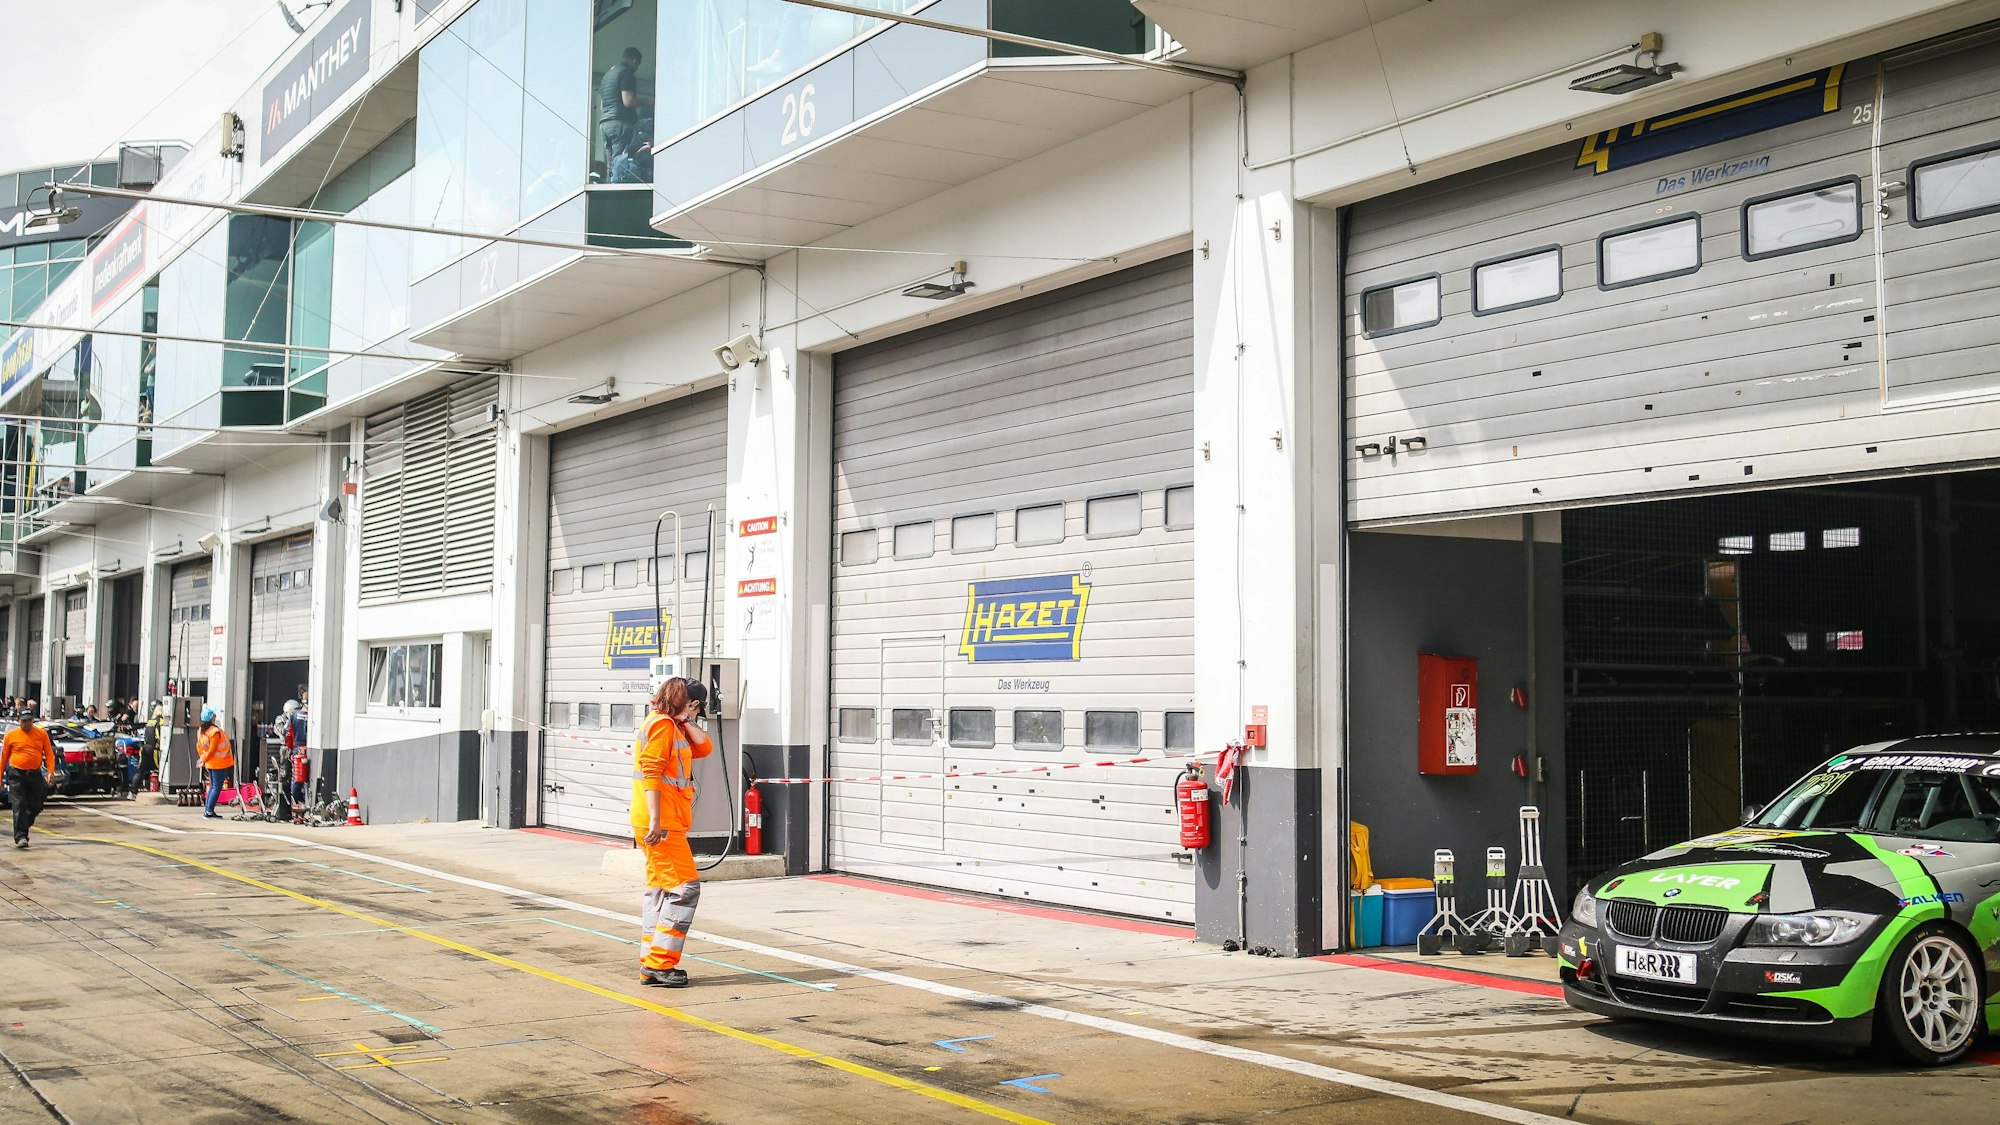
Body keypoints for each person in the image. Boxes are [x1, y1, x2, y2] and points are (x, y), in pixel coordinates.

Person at [629, 677, 712, 987]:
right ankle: (661, 964)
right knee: (684, 889)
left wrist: (685, 719)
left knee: (660, 890)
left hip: (663, 822)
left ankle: (650, 963)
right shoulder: (664, 726)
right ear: (691, 703)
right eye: (696, 709)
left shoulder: (669, 724)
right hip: (662, 824)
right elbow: (651, 772)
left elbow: (704, 748)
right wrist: (656, 821)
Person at [5, 712, 57, 848]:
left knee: (36, 804)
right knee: (19, 804)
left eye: (29, 721)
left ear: (32, 720)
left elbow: (49, 754)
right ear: (18, 721)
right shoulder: (11, 735)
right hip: (17, 774)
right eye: (24, 721)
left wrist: (50, 772)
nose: (26, 724)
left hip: (34, 774)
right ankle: (21, 836)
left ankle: (23, 824)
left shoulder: (41, 734)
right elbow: (4, 757)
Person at [597, 47, 652, 171]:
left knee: (611, 164)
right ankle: (619, 182)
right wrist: (648, 100)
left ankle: (611, 181)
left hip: (605, 124)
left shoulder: (608, 75)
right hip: (619, 123)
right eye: (637, 64)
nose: (637, 68)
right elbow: (628, 101)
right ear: (634, 60)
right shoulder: (626, 73)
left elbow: (602, 106)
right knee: (620, 161)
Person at [197, 707, 233, 819]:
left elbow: (199, 747)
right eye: (214, 715)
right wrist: (204, 759)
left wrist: (203, 759)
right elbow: (212, 750)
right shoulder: (214, 732)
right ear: (212, 718)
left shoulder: (201, 731)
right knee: (216, 787)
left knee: (213, 786)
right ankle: (209, 811)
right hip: (218, 763)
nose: (216, 716)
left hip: (211, 763)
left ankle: (208, 810)